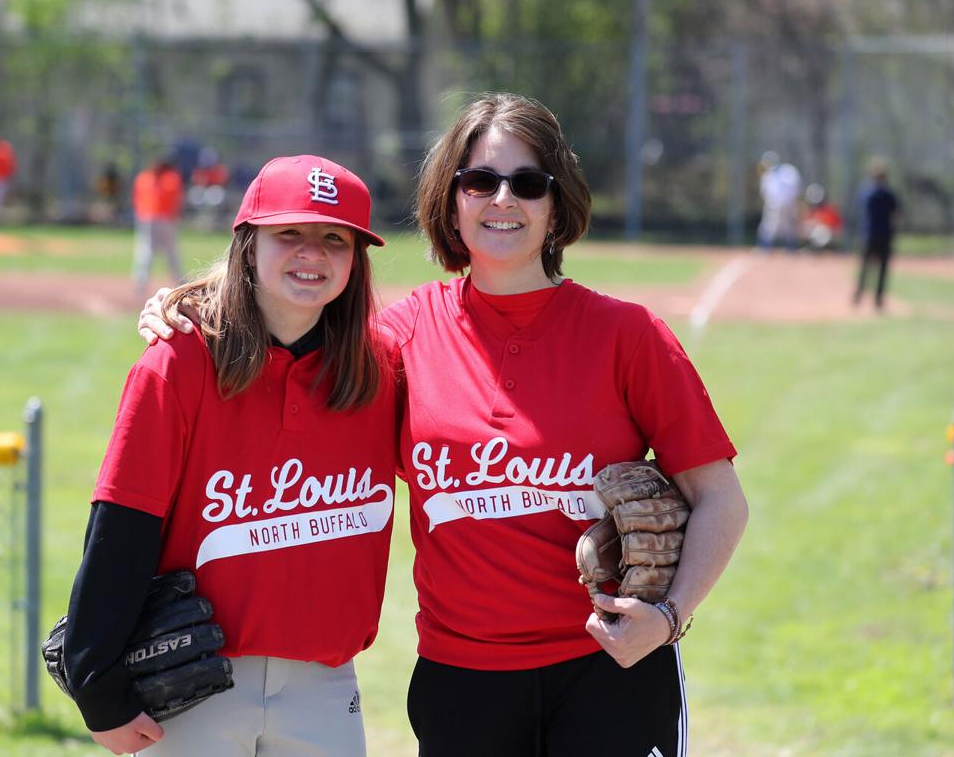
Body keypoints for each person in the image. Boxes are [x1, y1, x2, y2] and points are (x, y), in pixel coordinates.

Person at [140, 93, 749, 756]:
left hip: (610, 667)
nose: (502, 200)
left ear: (557, 204)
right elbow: (294, 325)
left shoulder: (627, 337)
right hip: (464, 680)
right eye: (481, 181)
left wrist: (666, 618)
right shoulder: (402, 337)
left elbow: (720, 498)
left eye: (528, 183)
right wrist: (190, 304)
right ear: (451, 200)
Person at [64, 155, 397, 756]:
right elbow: (121, 525)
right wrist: (96, 683)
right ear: (248, 244)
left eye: (334, 239)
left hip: (325, 685)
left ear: (357, 258)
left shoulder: (380, 370)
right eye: (289, 234)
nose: (312, 254)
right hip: (191, 679)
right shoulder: (180, 361)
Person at [132, 157, 186, 298]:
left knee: (147, 252)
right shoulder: (171, 178)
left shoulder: (144, 177)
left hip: (148, 218)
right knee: (169, 253)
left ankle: (140, 285)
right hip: (163, 219)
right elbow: (177, 200)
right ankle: (181, 284)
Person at [852, 157, 899, 311]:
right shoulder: (889, 194)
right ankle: (877, 299)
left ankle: (859, 295)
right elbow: (896, 215)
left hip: (869, 234)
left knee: (866, 268)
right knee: (880, 270)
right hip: (884, 235)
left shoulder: (867, 193)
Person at [756, 152, 802, 251]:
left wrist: (791, 203)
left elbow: (795, 188)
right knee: (768, 227)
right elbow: (764, 192)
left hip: (787, 205)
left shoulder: (787, 171)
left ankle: (791, 249)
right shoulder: (767, 175)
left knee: (788, 228)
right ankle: (764, 248)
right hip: (772, 206)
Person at [800, 182, 843, 251]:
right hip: (813, 240)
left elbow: (838, 227)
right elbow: (803, 228)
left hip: (830, 238)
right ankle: (814, 248)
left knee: (821, 230)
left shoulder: (829, 209)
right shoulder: (810, 212)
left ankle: (825, 249)